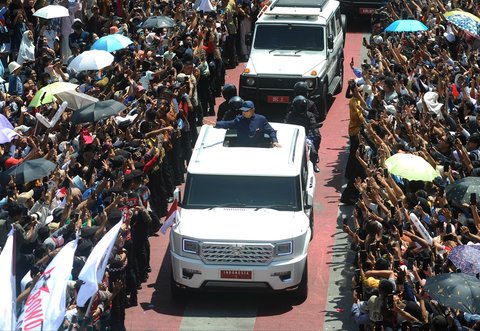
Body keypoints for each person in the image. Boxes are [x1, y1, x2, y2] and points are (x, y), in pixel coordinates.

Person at [208, 100, 281, 148]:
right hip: (241, 148)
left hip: (257, 149)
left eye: (246, 111)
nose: (244, 112)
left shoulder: (261, 120)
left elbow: (271, 131)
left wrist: (274, 141)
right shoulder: (239, 120)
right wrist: (215, 124)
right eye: (243, 110)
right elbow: (227, 124)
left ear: (252, 110)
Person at [284, 95, 321, 172]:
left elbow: (313, 124)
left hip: (306, 137)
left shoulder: (309, 115)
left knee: (313, 152)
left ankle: (314, 164)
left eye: (303, 106)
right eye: (301, 106)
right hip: (293, 137)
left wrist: (314, 131)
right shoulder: (290, 115)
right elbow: (286, 125)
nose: (302, 108)